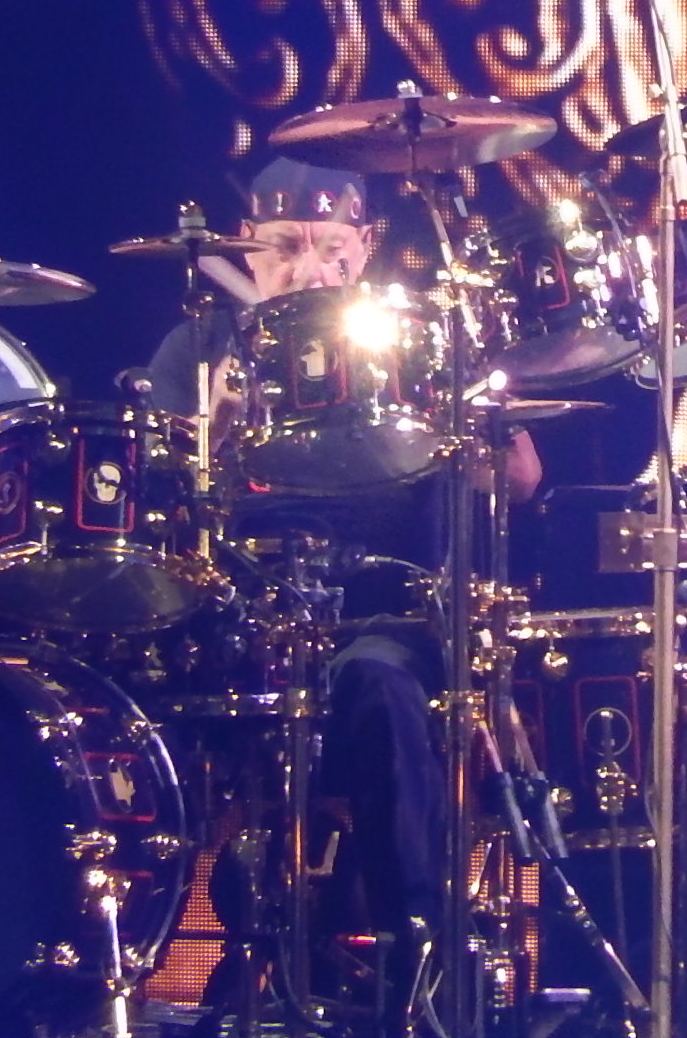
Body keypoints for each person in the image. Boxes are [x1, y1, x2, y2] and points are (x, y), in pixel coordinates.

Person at [143, 157, 538, 1020]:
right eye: (284, 247)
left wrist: (457, 418)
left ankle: (420, 961)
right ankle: (124, 967)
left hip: (380, 619)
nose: (308, 268)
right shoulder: (200, 345)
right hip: (238, 620)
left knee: (381, 688)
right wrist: (212, 428)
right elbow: (150, 496)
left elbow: (518, 478)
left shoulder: (411, 338)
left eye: (330, 248)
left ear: (363, 250)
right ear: (246, 247)